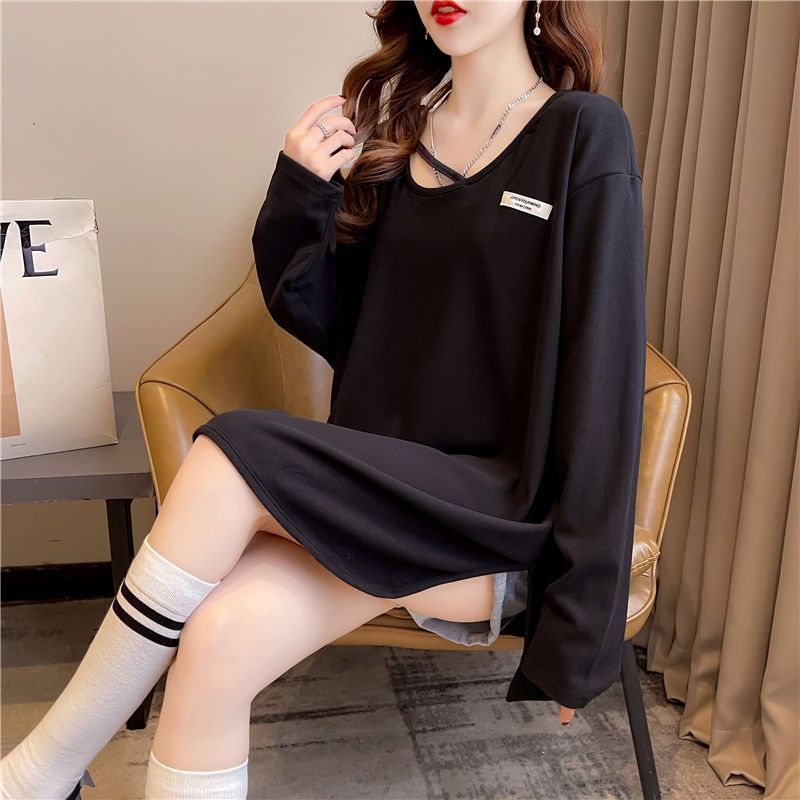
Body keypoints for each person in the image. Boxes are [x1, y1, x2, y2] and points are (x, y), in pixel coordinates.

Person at [0, 0, 647, 797]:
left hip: (500, 515)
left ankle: (40, 774)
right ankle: (45, 778)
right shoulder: (404, 134)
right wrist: (301, 189)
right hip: (379, 491)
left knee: (229, 451)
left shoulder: (584, 133)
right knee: (218, 638)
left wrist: (582, 627)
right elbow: (333, 320)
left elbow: (603, 380)